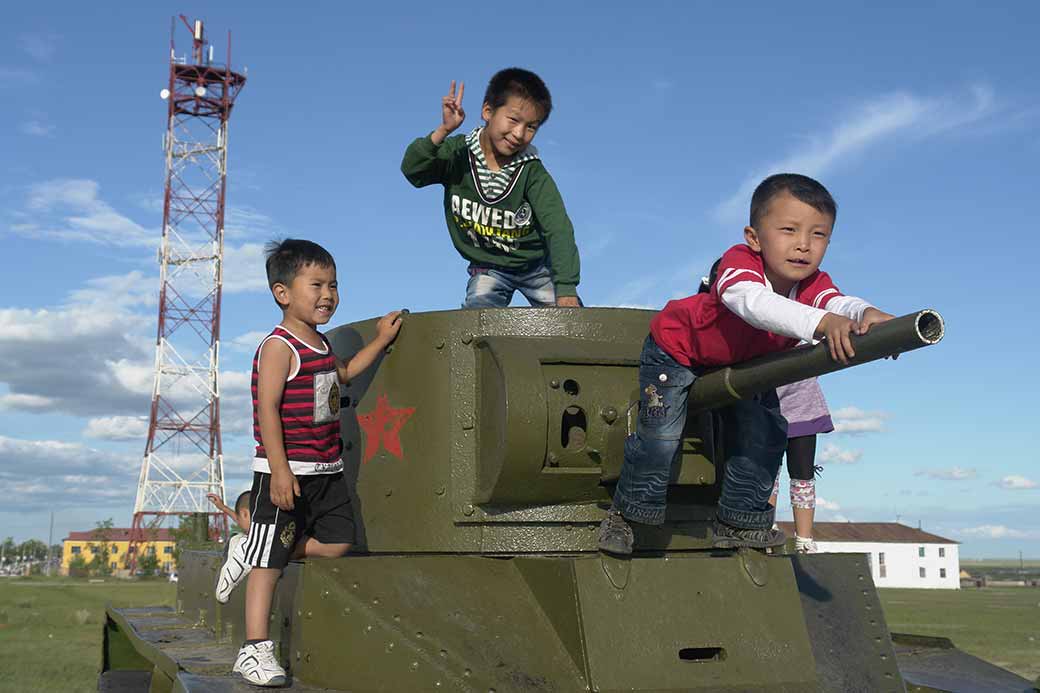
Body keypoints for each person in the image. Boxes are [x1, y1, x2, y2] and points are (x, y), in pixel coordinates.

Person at [598, 173, 894, 554]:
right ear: (754, 237)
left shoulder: (811, 284)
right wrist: (822, 323)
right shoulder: (739, 266)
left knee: (766, 432)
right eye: (789, 230)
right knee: (661, 436)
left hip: (742, 365)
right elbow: (754, 304)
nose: (803, 245)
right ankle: (628, 515)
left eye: (818, 235)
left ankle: (739, 522)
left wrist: (865, 314)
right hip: (677, 351)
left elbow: (838, 303)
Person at [223, 238, 403, 687]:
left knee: (339, 541)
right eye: (317, 285)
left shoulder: (320, 344)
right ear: (282, 293)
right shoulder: (278, 346)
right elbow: (267, 409)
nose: (328, 295)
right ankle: (254, 649)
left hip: (325, 470)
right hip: (285, 472)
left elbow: (345, 374)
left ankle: (252, 545)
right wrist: (280, 470)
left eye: (333, 285)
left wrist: (381, 340)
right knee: (269, 566)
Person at [401, 68, 582, 308]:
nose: (519, 133)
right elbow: (413, 170)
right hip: (488, 267)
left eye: (531, 127)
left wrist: (566, 287)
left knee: (569, 318)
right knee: (477, 319)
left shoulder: (531, 172)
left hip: (535, 266)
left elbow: (558, 228)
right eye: (513, 120)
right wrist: (444, 130)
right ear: (488, 111)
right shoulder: (458, 153)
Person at [770, 379, 832, 553]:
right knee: (768, 473)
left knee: (803, 474)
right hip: (766, 403)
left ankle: (804, 541)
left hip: (802, 402)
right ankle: (766, 529)